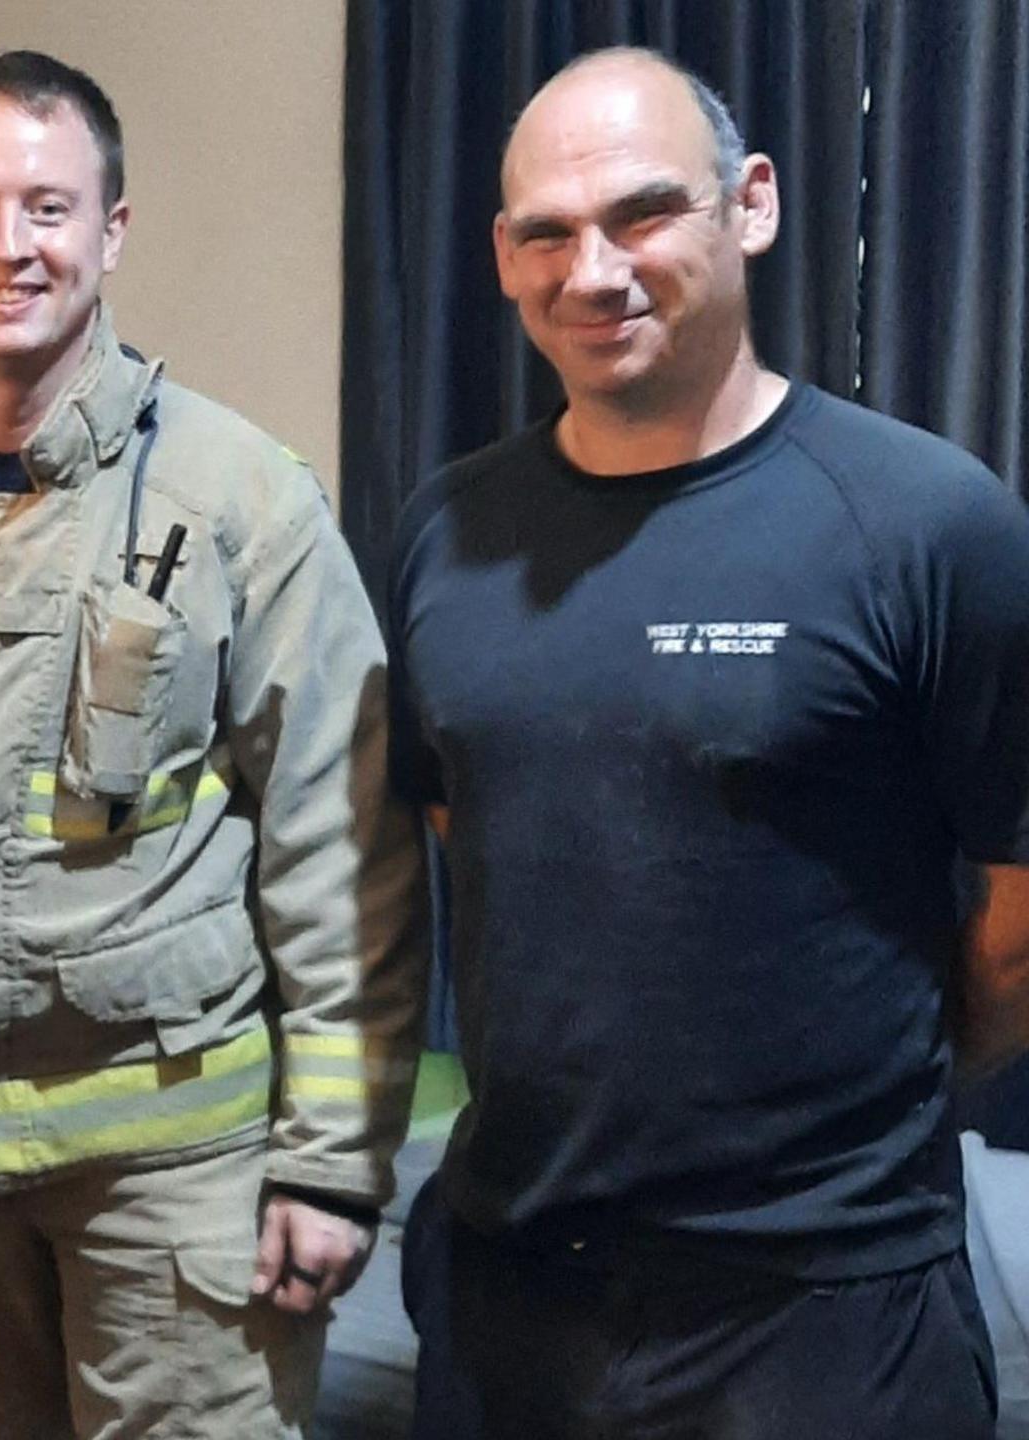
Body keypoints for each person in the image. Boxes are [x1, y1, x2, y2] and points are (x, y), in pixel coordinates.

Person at [0, 50, 428, 1440]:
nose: (10, 246)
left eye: (49, 209)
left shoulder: (244, 500)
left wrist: (332, 1160)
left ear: (112, 232)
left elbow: (341, 847)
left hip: (173, 1175)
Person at [385, 47, 1029, 1438]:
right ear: (500, 257)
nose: (593, 271)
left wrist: (867, 1103)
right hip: (510, 1296)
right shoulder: (444, 531)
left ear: (752, 203)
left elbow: (1020, 916)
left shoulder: (930, 522)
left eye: (642, 215)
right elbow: (470, 843)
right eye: (547, 234)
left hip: (825, 1308)